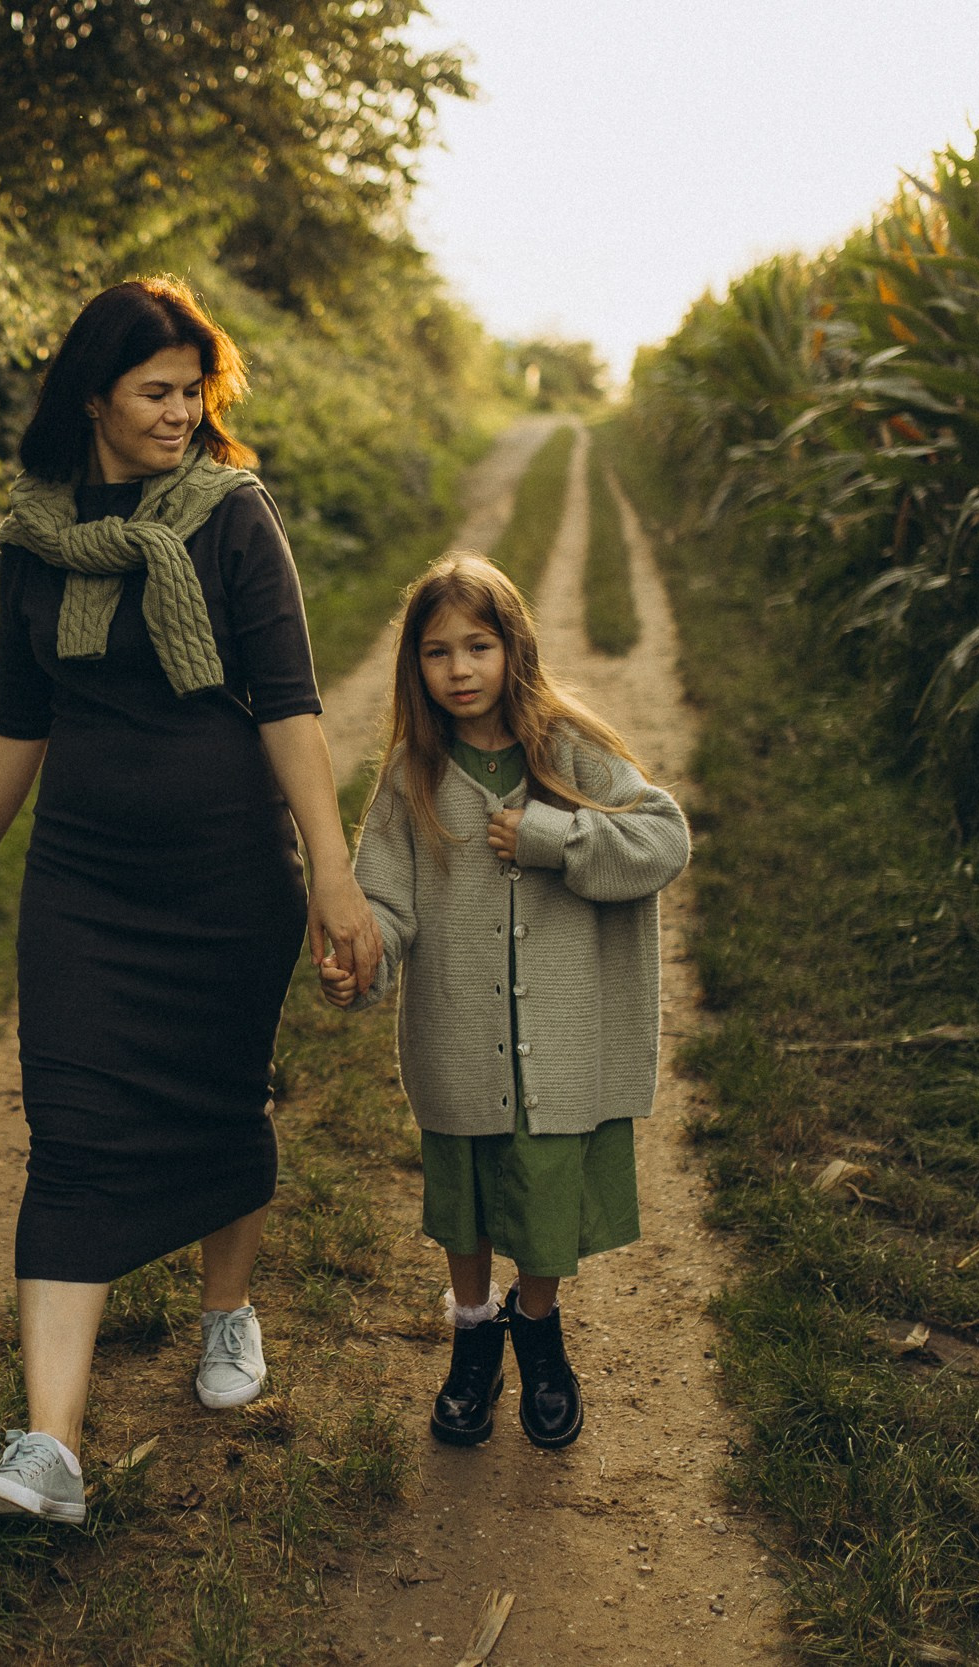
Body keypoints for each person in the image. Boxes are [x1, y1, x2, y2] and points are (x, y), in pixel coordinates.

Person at [0, 277, 379, 1523]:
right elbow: (20, 715)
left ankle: (224, 1309)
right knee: (69, 1129)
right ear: (94, 398)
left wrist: (331, 872)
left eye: (194, 391)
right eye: (156, 393)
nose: (182, 413)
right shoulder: (34, 534)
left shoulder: (231, 518)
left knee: (217, 1096)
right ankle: (49, 1448)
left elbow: (288, 703)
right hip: (82, 875)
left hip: (227, 872)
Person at [342, 551, 690, 1449]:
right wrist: (364, 962)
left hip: (563, 1044)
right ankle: (472, 1336)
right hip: (460, 1037)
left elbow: (663, 839)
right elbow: (384, 899)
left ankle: (537, 1330)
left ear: (514, 648)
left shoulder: (570, 750)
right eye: (436, 652)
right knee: (464, 1199)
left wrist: (553, 835)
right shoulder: (410, 776)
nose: (459, 670)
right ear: (414, 668)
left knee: (542, 1195)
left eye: (479, 646)